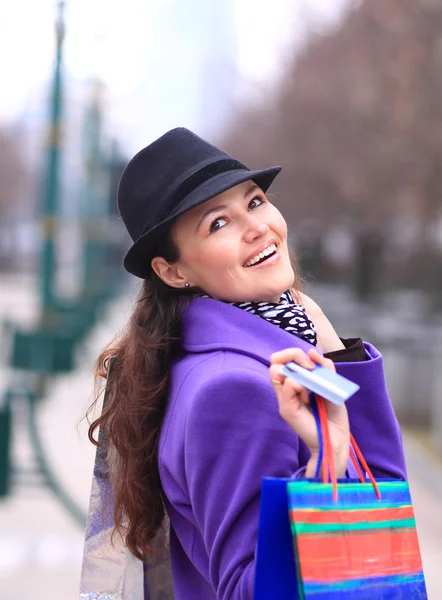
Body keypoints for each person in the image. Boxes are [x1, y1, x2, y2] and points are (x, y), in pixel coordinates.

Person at [88, 127, 406, 600]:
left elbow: (383, 514)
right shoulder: (234, 388)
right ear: (173, 271)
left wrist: (340, 355)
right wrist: (325, 469)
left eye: (254, 201)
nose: (256, 226)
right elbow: (251, 590)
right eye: (218, 223)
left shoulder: (224, 358)